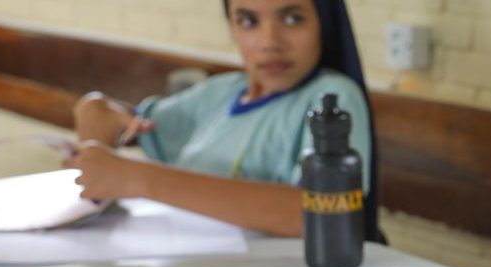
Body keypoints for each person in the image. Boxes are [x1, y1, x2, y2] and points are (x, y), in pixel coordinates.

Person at [67, 0, 383, 242]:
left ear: (324, 23)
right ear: (231, 27)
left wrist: (138, 179)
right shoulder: (219, 93)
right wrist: (97, 109)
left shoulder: (332, 98)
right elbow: (132, 122)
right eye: (248, 21)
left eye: (292, 18)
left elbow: (314, 211)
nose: (269, 41)